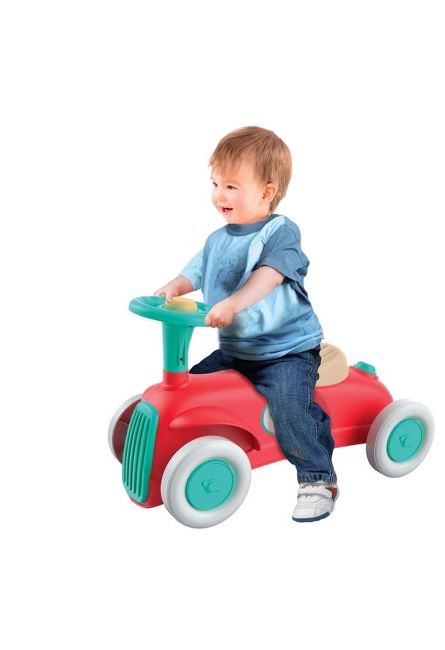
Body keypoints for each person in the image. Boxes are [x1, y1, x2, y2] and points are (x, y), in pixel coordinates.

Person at [154, 126, 338, 522]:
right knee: (190, 387)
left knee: (287, 405)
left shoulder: (280, 232)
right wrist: (171, 288)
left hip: (285, 351)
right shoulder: (218, 239)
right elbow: (193, 273)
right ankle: (175, 445)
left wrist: (233, 303)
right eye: (215, 184)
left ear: (267, 192)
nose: (219, 195)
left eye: (231, 186)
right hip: (237, 351)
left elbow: (269, 276)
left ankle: (317, 478)